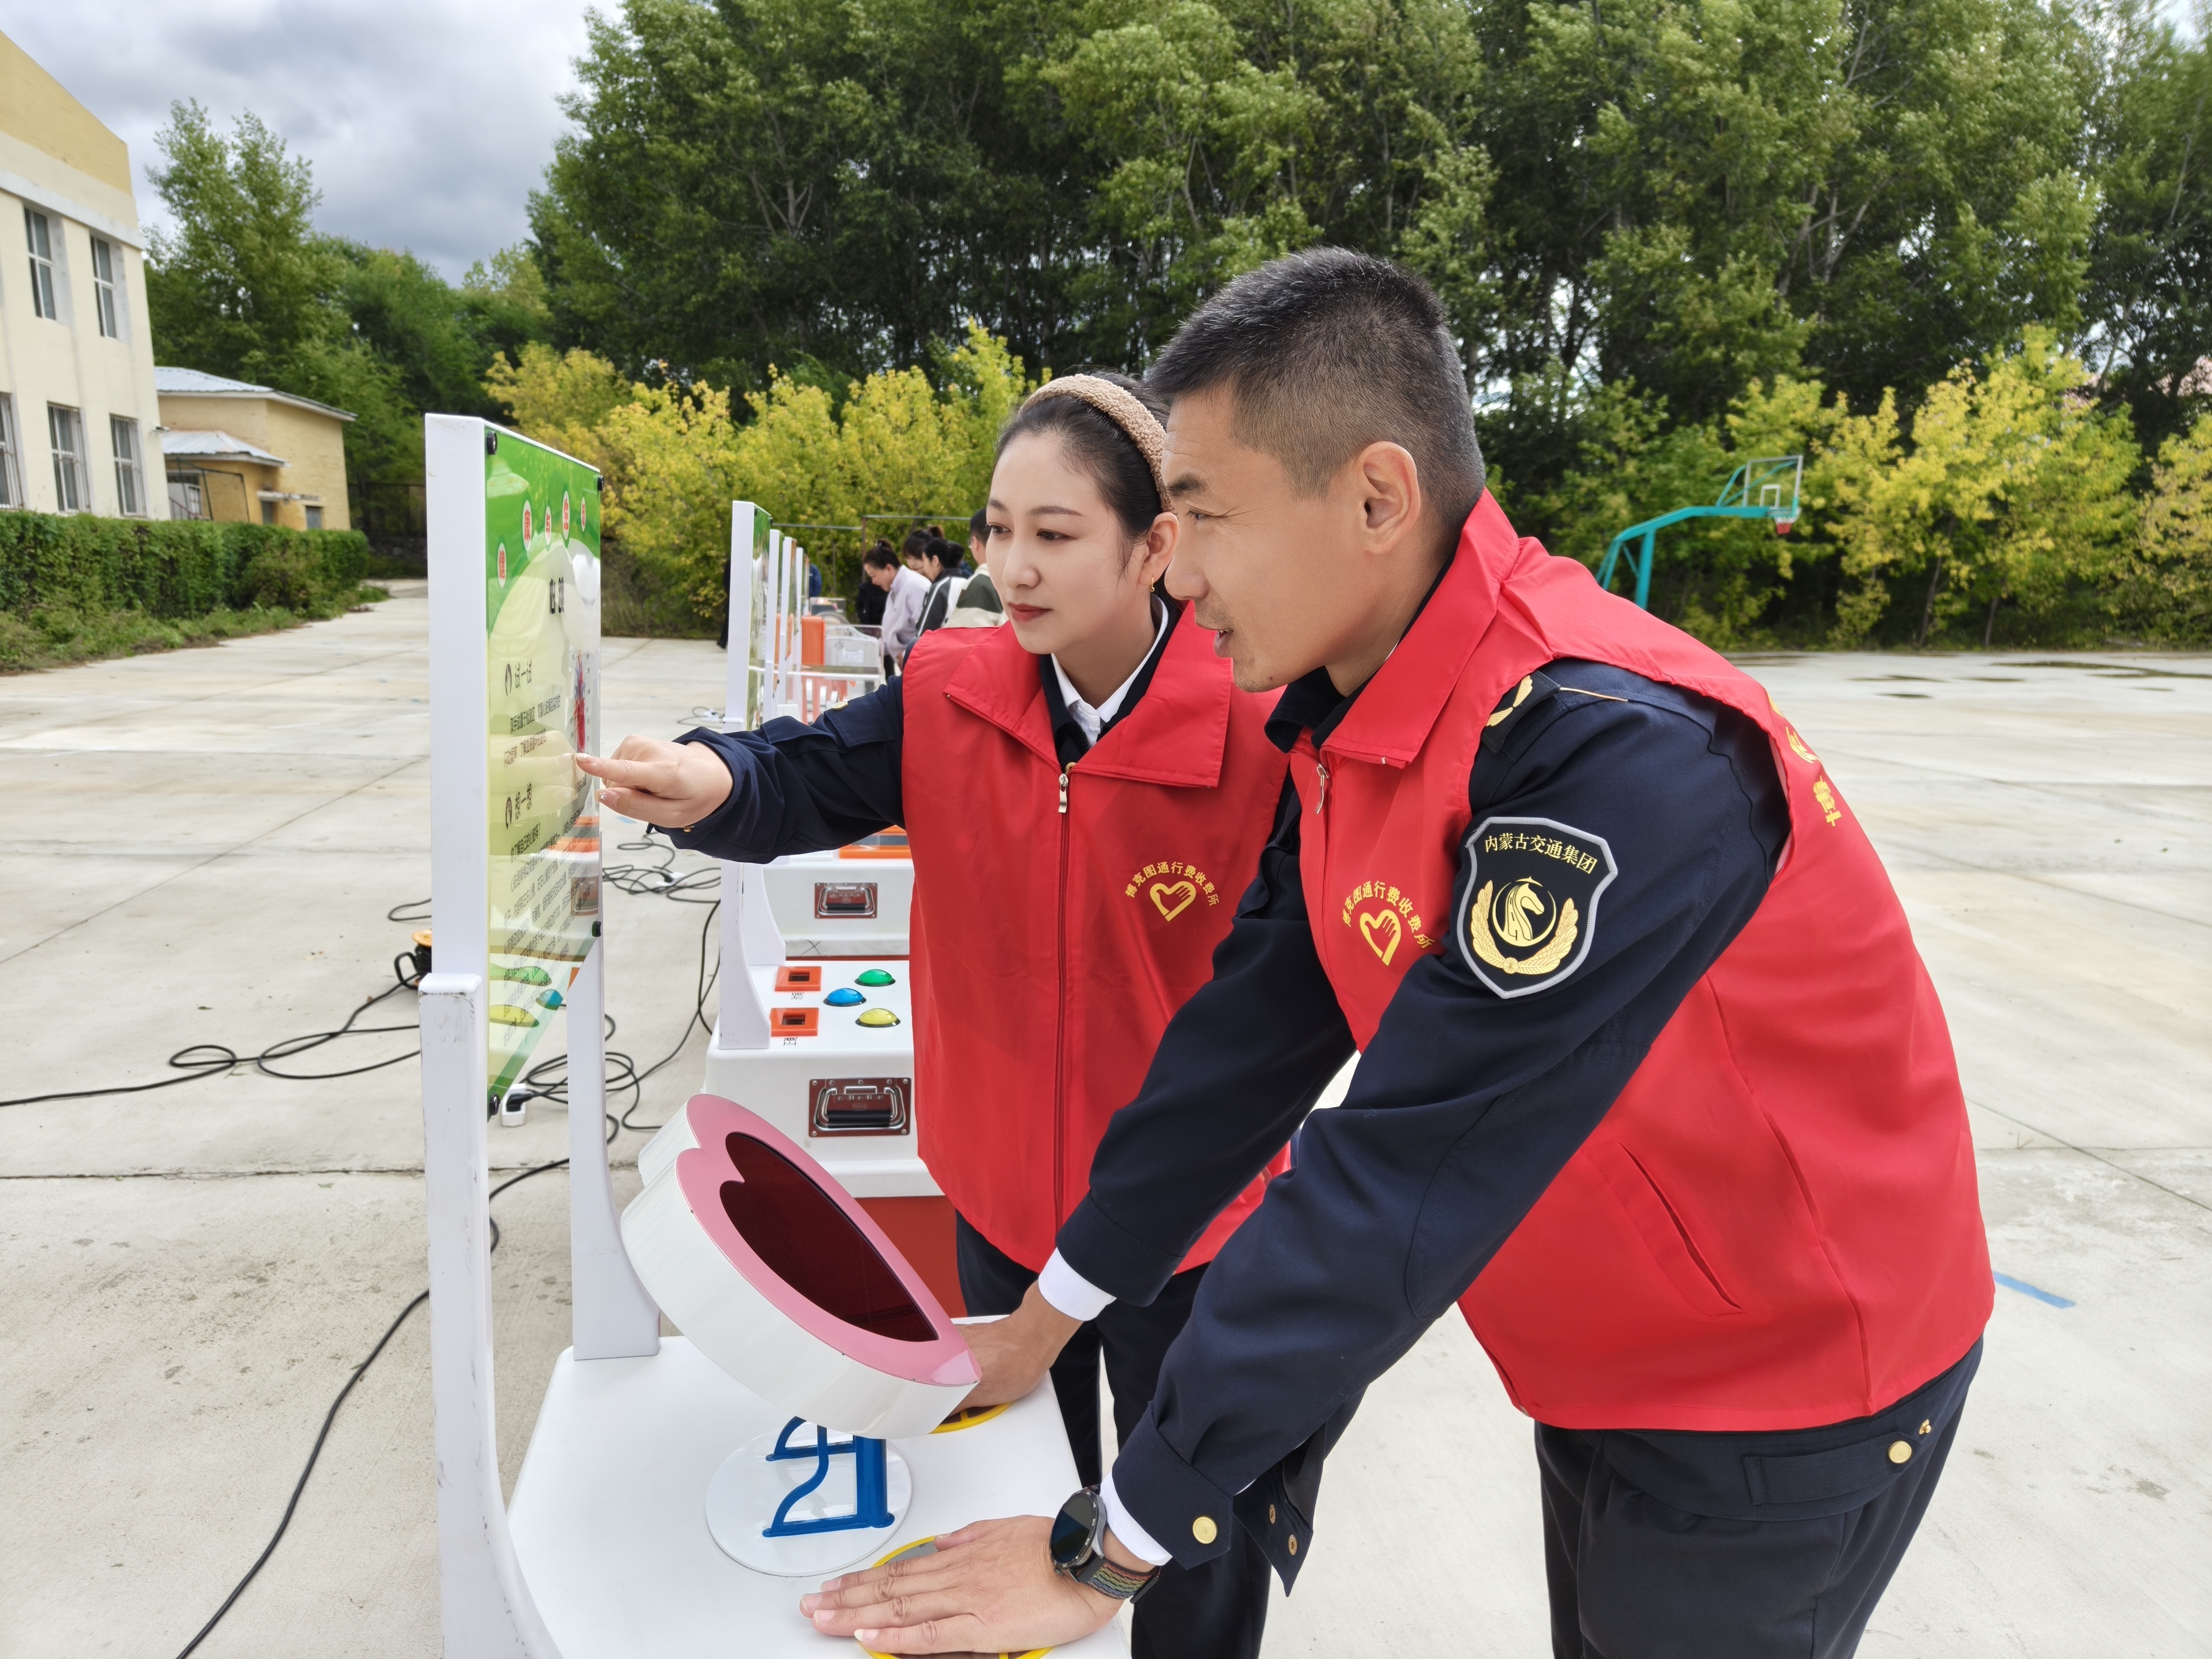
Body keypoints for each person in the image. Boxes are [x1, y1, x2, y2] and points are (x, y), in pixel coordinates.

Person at [795, 249, 1993, 1659]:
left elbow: (1403, 1171)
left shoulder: (1607, 757)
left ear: (1375, 498)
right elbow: (1242, 1048)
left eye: (1204, 516)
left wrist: (1111, 1542)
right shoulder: (1351, 721)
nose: (1183, 569)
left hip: (1786, 1383)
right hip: (1607, 1346)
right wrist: (1046, 1318)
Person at [577, 372, 1296, 1659]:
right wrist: (708, 775)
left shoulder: (1258, 726)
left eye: (1055, 533)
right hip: (1001, 1209)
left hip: (1190, 1229)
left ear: (1156, 547)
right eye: (995, 529)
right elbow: (803, 772)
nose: (1012, 568)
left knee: (1186, 1525)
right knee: (1011, 1492)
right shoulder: (950, 687)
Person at [866, 540, 929, 672]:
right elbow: (888, 639)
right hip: (909, 669)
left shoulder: (914, 586)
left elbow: (928, 632)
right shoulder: (893, 593)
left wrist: (907, 656)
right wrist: (861, 649)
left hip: (921, 668)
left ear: (889, 569)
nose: (874, 582)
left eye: (874, 576)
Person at [913, 535, 969, 637]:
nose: (925, 568)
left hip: (946, 646)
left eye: (925, 561)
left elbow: (923, 635)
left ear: (935, 561)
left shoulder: (940, 588)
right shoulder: (968, 583)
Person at [852, 539, 891, 628]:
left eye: (874, 575)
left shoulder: (898, 589)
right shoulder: (865, 589)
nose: (874, 581)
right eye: (871, 576)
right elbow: (859, 606)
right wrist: (864, 618)